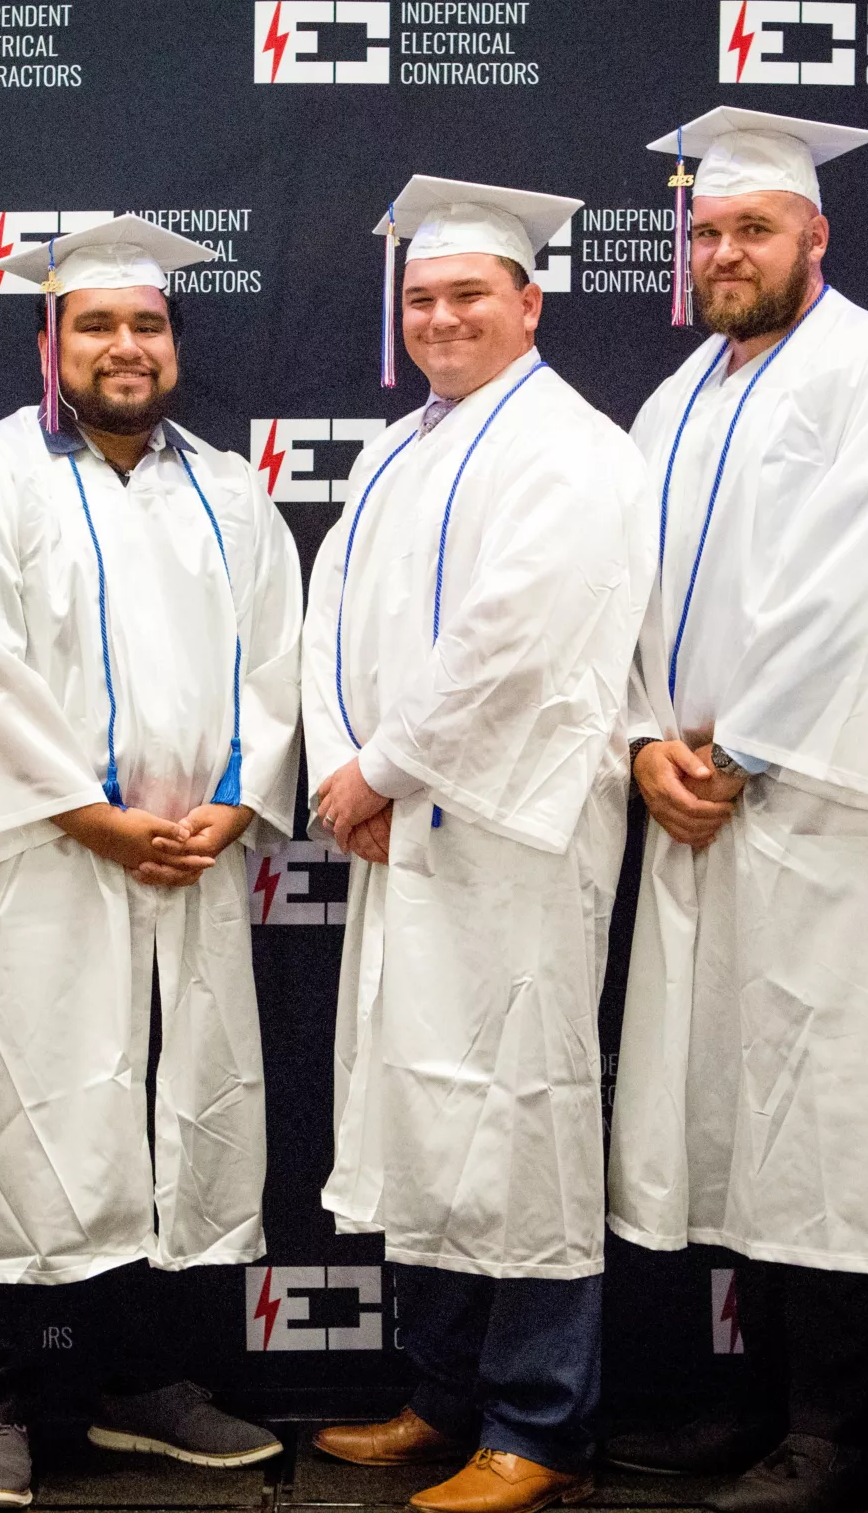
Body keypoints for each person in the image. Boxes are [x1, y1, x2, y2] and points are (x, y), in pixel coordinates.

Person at [604, 109, 868, 1513]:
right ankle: (757, 1402)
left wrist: (741, 748)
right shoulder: (675, 400)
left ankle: (835, 1429)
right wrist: (644, 741)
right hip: (698, 809)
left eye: (753, 228)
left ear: (817, 234)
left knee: (830, 1114)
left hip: (822, 812)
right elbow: (620, 591)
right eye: (706, 230)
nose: (724, 252)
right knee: (730, 1112)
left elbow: (867, 589)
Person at [0, 215, 301, 1508]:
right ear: (49, 341)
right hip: (42, 862)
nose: (127, 345)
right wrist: (94, 818)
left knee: (175, 1107)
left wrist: (233, 806)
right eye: (98, 324)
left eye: (148, 323)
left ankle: (146, 1386)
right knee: (23, 1108)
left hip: (192, 864)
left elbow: (277, 668)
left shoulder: (230, 492)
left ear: (173, 342)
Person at [301, 177, 653, 1513]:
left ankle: (539, 1423)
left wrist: (382, 770)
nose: (442, 317)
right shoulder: (400, 448)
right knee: (426, 1108)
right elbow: (328, 612)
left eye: (468, 295)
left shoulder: (574, 448)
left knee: (523, 1115)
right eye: (422, 298)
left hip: (513, 841)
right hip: (402, 831)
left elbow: (520, 643)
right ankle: (441, 1395)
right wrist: (342, 769)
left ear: (530, 304)